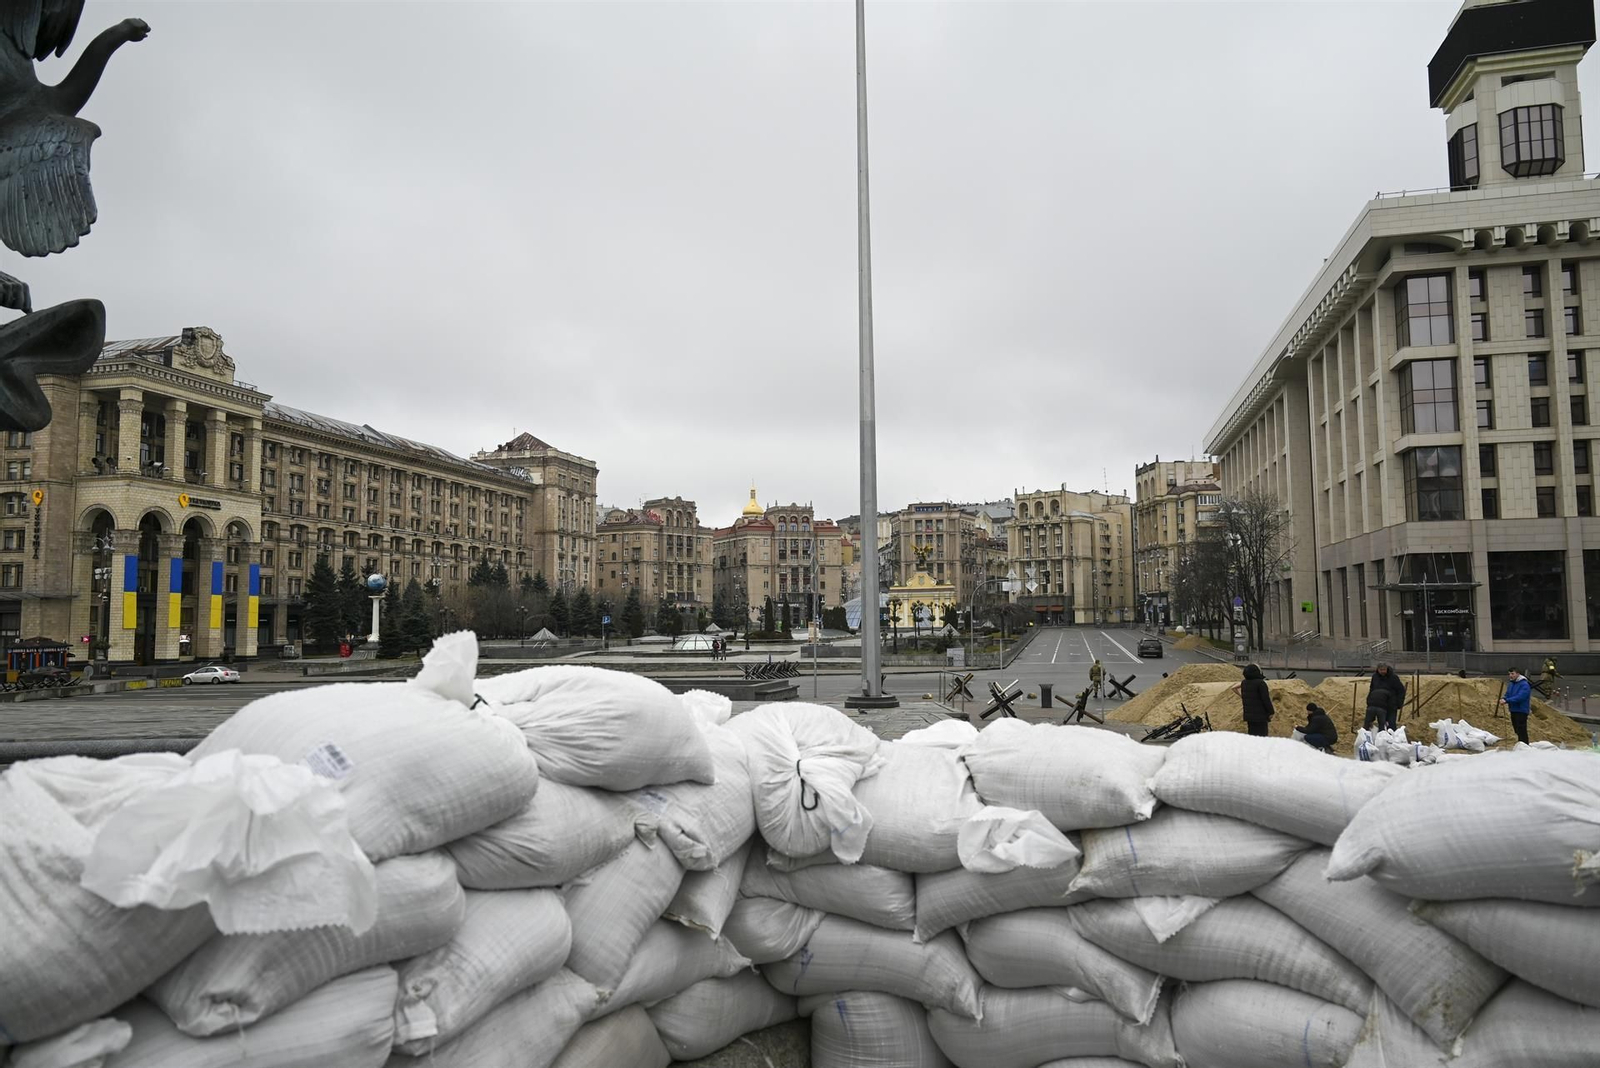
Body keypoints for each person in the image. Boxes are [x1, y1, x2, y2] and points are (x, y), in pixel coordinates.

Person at [1364, 662, 1405, 732]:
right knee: (1379, 725)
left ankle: (1392, 740)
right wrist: (1369, 700)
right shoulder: (1375, 677)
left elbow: (1401, 690)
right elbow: (1372, 689)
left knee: (1391, 725)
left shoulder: (1393, 677)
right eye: (1381, 670)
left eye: (1384, 670)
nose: (1383, 671)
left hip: (1391, 705)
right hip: (1378, 704)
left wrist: (1399, 703)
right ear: (1378, 670)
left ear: (1387, 669)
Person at [1237, 663, 1274, 737]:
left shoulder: (1244, 683)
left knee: (1252, 737)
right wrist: (1271, 711)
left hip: (1249, 716)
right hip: (1261, 716)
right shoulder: (1260, 683)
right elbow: (1266, 699)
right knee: (1262, 737)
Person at [1500, 668, 1532, 744]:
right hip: (1513, 709)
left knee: (1521, 729)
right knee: (1517, 729)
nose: (1510, 676)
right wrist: (1504, 698)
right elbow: (1508, 693)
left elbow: (1520, 697)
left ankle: (1524, 745)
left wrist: (1507, 700)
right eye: (1509, 674)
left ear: (1518, 674)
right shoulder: (1511, 684)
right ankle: (1521, 744)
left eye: (1512, 674)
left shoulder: (1524, 684)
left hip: (1521, 710)